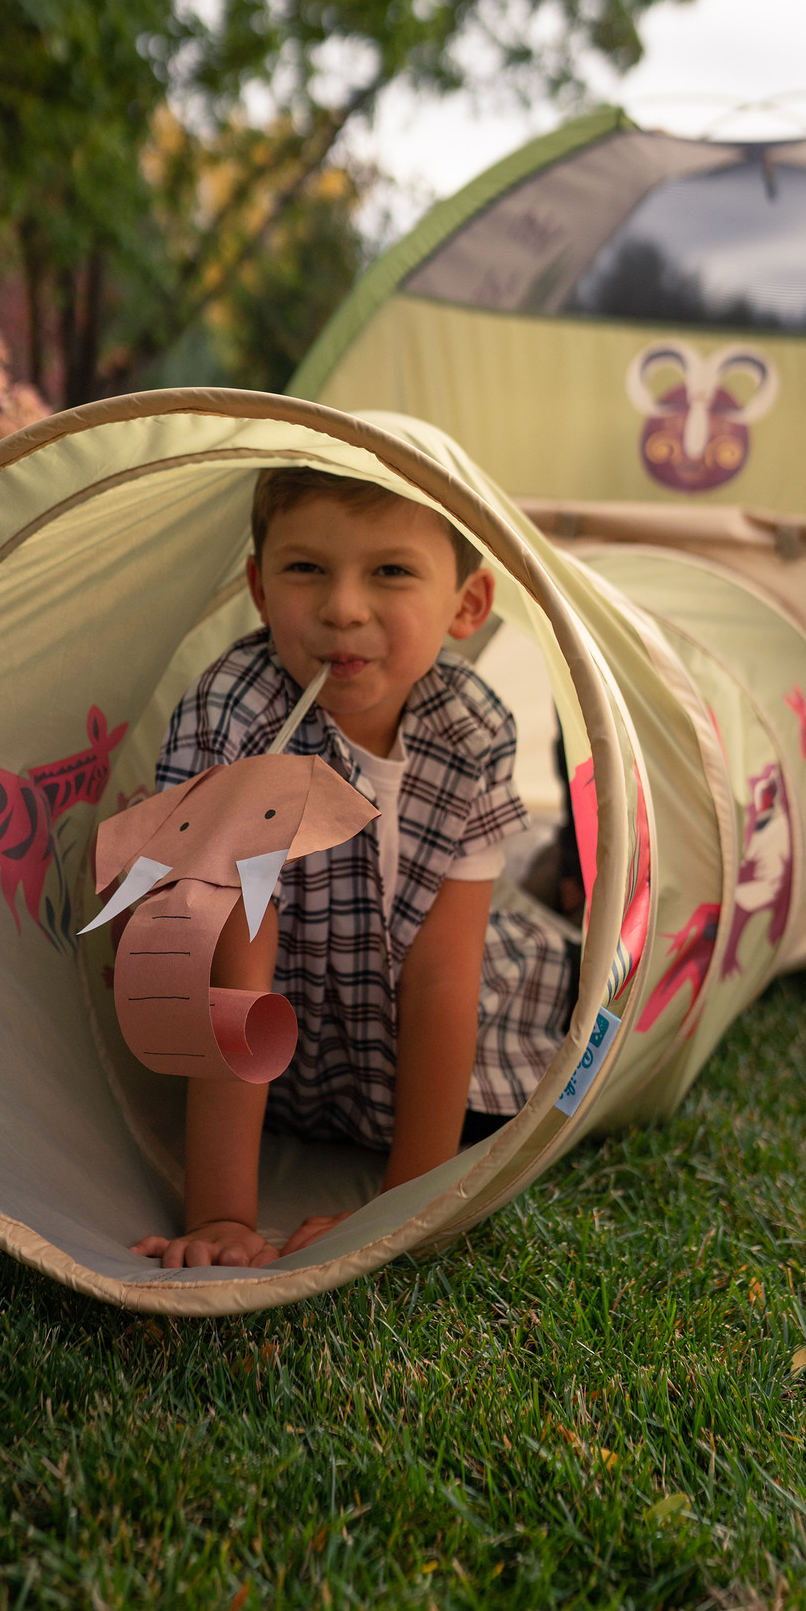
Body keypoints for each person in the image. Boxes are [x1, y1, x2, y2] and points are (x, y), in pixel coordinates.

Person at [131, 468, 571, 1270]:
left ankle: (579, 904)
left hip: (438, 1021)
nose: (343, 607)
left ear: (468, 605)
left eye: (391, 571)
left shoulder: (470, 728)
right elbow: (236, 975)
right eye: (306, 569)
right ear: (260, 588)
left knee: (560, 996)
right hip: (300, 1045)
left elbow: (444, 975)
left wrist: (410, 1208)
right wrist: (222, 1214)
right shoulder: (237, 717)